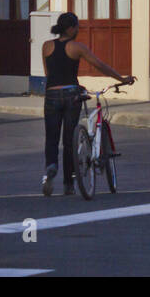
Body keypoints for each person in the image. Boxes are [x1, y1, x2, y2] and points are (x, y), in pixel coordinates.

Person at [41, 12, 135, 196]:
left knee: (51, 137)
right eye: (76, 27)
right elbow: (100, 65)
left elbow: (48, 74)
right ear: (70, 28)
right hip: (71, 94)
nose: (78, 30)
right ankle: (69, 183)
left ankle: (51, 166)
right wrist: (121, 79)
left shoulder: (46, 46)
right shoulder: (77, 47)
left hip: (51, 94)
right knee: (70, 140)